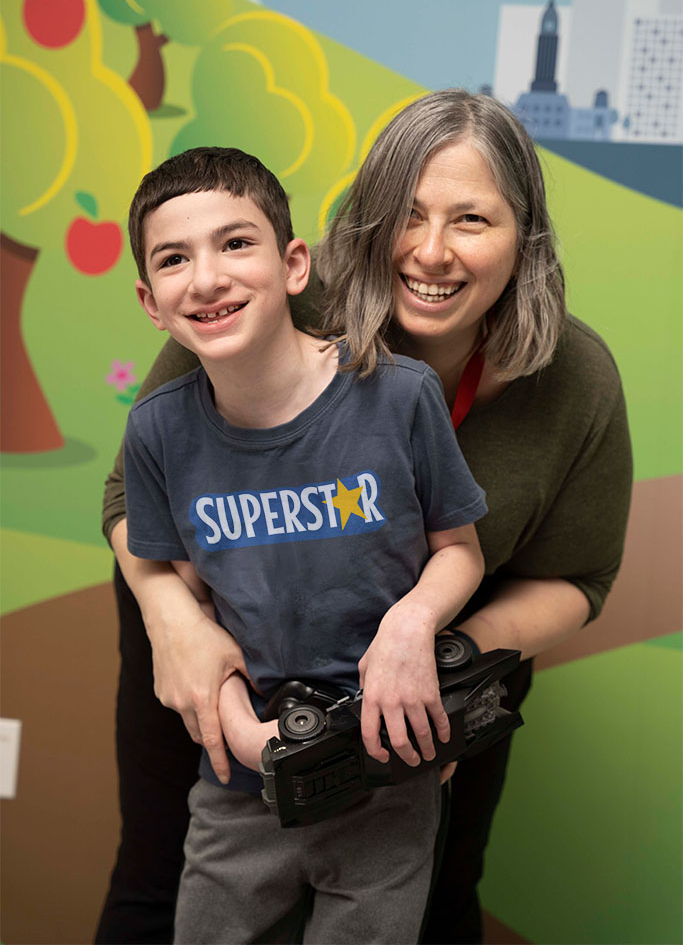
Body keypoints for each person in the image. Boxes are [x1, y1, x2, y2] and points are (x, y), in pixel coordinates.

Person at [96, 90, 632, 945]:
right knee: (164, 876)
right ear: (363, 223)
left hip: (450, 643)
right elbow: (133, 497)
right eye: (407, 216)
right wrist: (178, 627)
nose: (430, 252)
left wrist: (433, 660)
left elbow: (578, 577)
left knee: (437, 890)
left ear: (522, 238)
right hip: (224, 612)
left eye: (471, 221)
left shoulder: (574, 379)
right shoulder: (259, 296)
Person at [119, 144, 488, 944]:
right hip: (239, 783)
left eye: (235, 242)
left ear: (294, 265)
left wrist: (411, 623)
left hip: (390, 774)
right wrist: (247, 741)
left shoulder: (399, 397)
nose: (207, 277)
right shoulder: (156, 432)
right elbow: (190, 608)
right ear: (152, 303)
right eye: (175, 259)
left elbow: (461, 550)